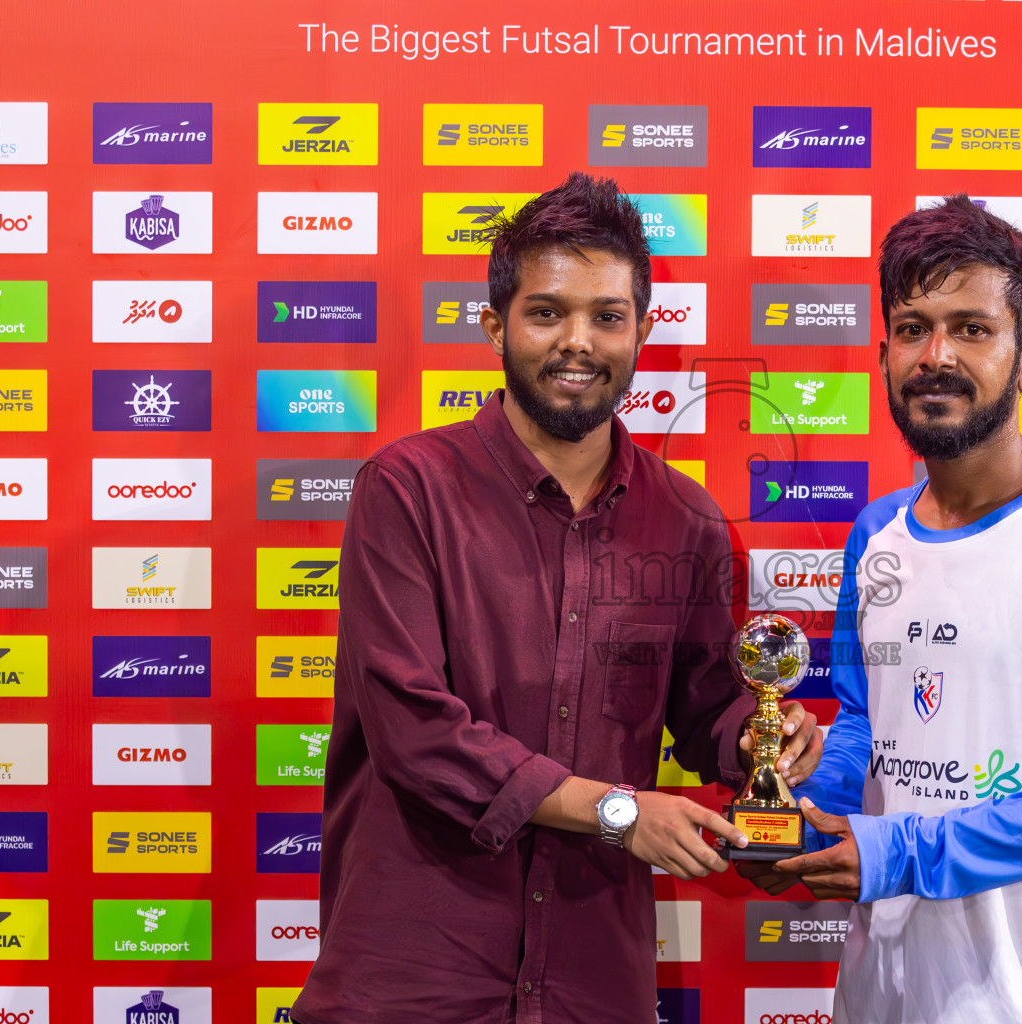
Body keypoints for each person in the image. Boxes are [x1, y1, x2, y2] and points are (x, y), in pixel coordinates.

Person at [291, 173, 822, 1024]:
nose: (578, 341)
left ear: (643, 330)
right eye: (547, 312)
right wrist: (616, 812)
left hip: (593, 986)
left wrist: (767, 739)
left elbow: (707, 707)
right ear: (496, 324)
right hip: (414, 981)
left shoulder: (685, 519)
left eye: (608, 316)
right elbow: (414, 730)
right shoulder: (406, 490)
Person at [741, 195, 1022, 1023]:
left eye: (972, 329)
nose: (935, 355)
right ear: (882, 355)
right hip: (882, 991)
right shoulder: (875, 533)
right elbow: (868, 722)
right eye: (913, 328)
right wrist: (805, 819)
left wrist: (901, 852)